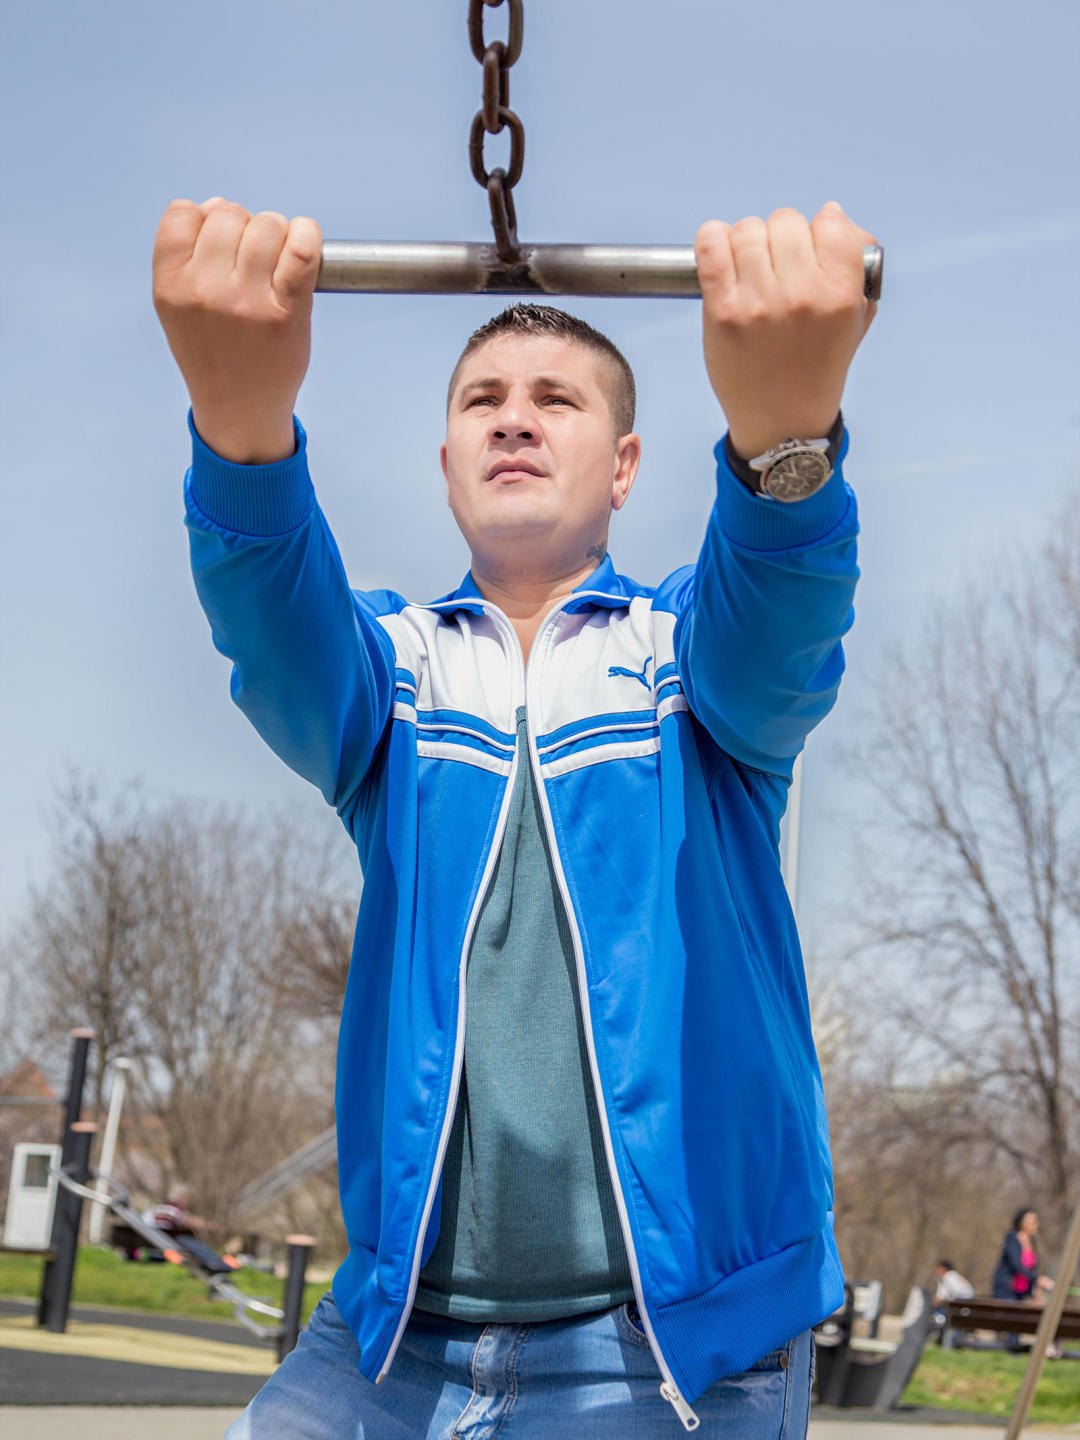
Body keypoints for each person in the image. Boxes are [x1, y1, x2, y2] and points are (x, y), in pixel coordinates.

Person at [153, 193, 877, 1437]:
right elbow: (278, 627)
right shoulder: (398, 673)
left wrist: (786, 439)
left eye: (556, 399)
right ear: (446, 465)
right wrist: (238, 419)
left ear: (625, 465)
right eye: (482, 399)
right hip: (397, 1337)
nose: (515, 417)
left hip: (664, 1350)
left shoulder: (682, 655)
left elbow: (780, 628)